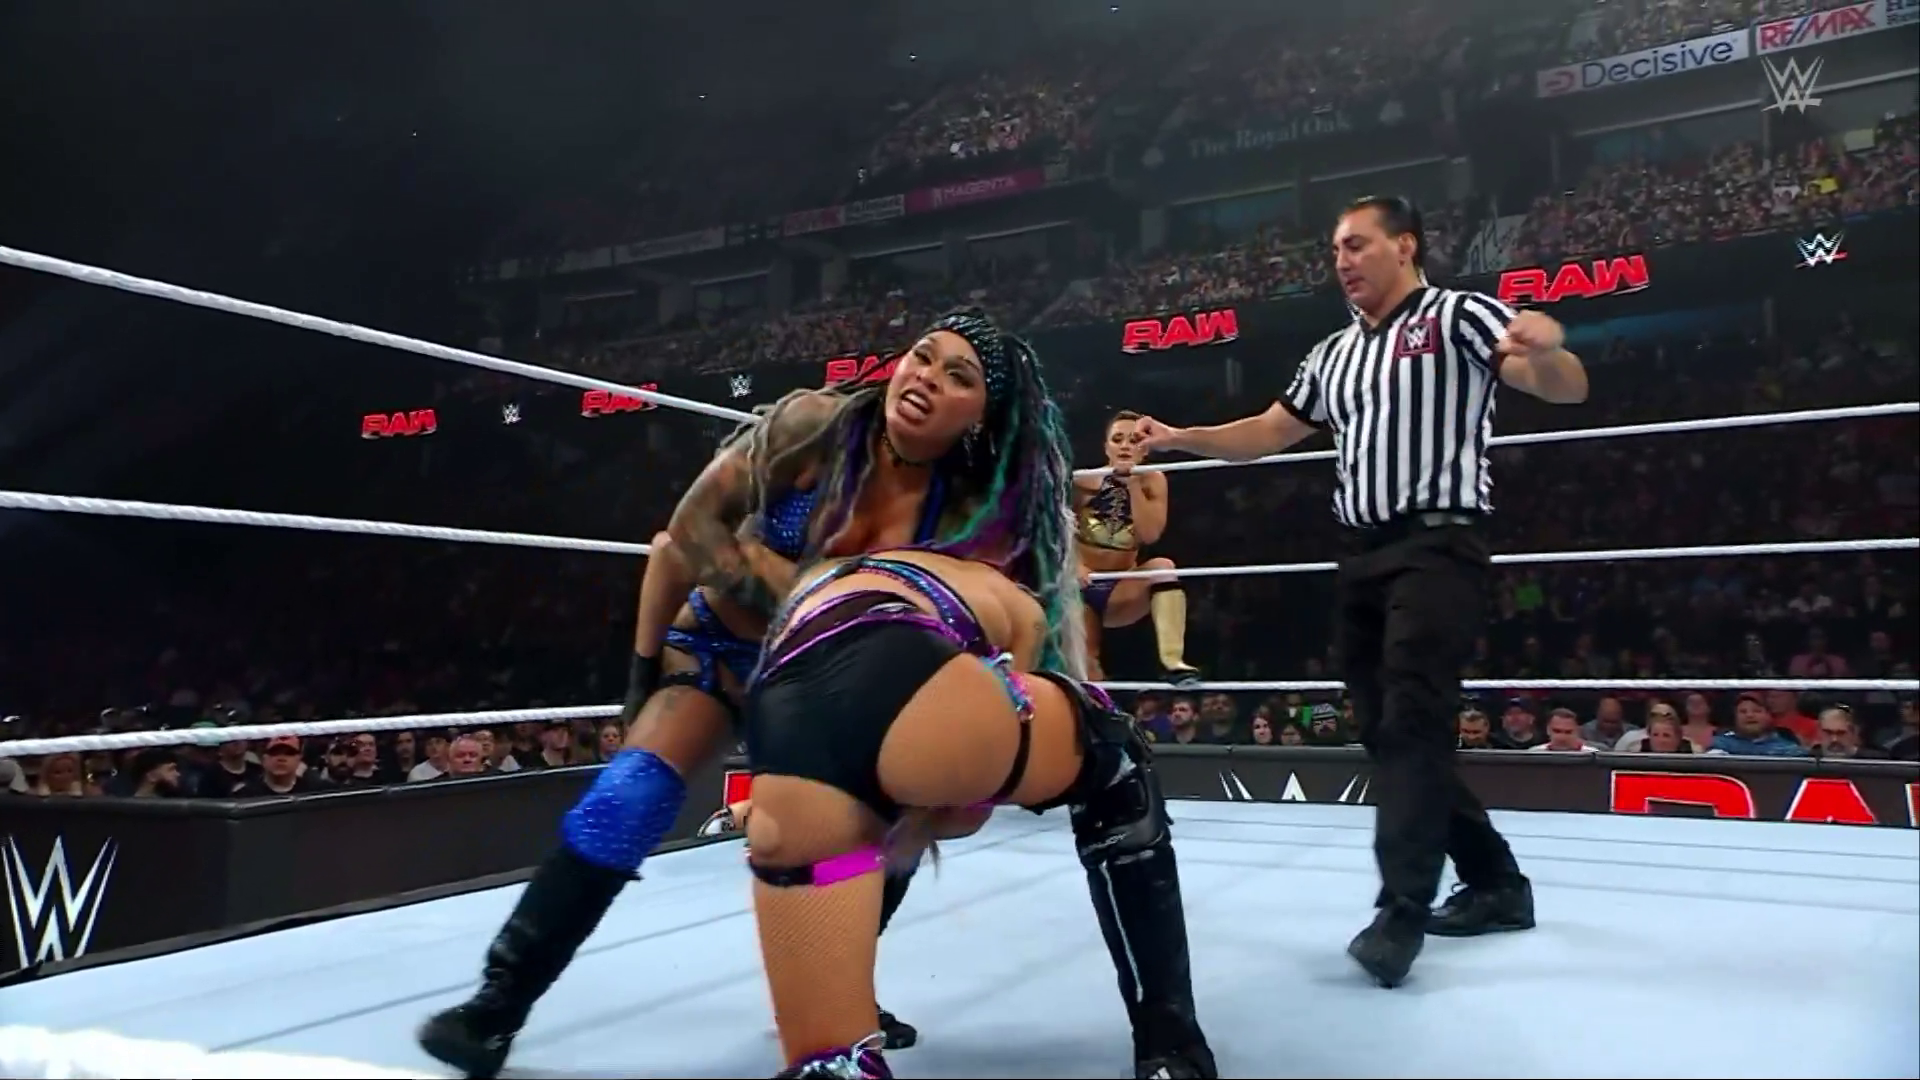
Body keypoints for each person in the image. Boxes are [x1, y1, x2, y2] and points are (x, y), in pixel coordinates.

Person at [736, 314, 1214, 1079]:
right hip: (905, 681)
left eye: (957, 374)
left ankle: (837, 1008)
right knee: (1111, 758)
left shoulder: (862, 513)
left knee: (833, 1049)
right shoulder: (1006, 566)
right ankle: (1170, 1041)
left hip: (782, 714)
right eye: (927, 360)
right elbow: (963, 805)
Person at [1133, 195, 1588, 989]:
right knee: (1385, 731)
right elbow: (1269, 430)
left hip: (1437, 545)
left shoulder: (1456, 315)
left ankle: (1400, 911)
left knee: (1413, 718)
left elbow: (1561, 388)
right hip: (1361, 554)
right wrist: (1179, 438)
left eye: (1356, 244)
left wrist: (1549, 348)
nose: (1341, 260)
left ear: (1405, 245)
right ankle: (1495, 882)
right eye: (1335, 249)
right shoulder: (1332, 353)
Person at [1074, 410, 1201, 685]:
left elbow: (1150, 534)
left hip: (1121, 588)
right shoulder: (1083, 480)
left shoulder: (1154, 480)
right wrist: (1072, 564)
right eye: (1117, 439)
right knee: (1088, 665)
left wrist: (1133, 484)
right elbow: (1055, 530)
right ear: (1106, 447)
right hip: (1079, 586)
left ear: (1145, 448)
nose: (1125, 446)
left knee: (1163, 567)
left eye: (1134, 441)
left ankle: (1173, 662)